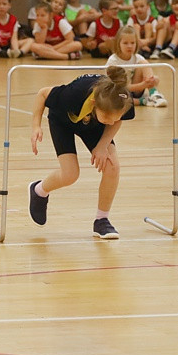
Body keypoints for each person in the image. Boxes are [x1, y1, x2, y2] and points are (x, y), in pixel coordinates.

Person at [27, 66, 135, 240]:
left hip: (94, 125)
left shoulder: (121, 98)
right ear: (94, 104)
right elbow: (42, 94)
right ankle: (38, 190)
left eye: (115, 117)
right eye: (107, 117)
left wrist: (102, 145)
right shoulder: (74, 93)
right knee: (70, 175)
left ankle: (102, 220)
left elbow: (115, 120)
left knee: (112, 166)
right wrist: (36, 126)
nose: (112, 121)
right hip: (63, 121)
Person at [106, 26, 165, 107]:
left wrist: (152, 80)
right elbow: (116, 87)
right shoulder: (113, 61)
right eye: (125, 43)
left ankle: (154, 94)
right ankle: (143, 101)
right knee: (114, 99)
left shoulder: (138, 58)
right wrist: (142, 85)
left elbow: (149, 78)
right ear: (118, 44)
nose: (129, 46)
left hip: (136, 91)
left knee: (144, 63)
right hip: (120, 91)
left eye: (133, 43)